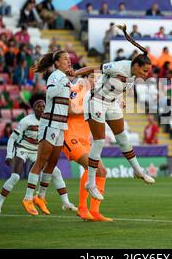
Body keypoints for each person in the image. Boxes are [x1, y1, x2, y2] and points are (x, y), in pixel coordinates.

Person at [71, 24, 155, 201]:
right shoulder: (118, 66)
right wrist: (74, 73)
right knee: (99, 141)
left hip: (112, 102)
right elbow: (94, 68)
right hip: (95, 101)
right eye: (145, 71)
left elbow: (119, 86)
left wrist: (120, 98)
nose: (147, 75)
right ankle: (90, 183)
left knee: (123, 139)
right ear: (136, 65)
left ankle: (138, 171)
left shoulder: (134, 74)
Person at [0, 100, 76, 214]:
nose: (41, 108)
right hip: (23, 149)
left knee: (56, 172)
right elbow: (12, 138)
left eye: (43, 106)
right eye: (38, 106)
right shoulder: (26, 120)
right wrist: (9, 154)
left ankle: (66, 202)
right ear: (33, 108)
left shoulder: (48, 121)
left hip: (37, 151)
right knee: (15, 177)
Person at [21, 51, 73, 216]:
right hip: (50, 123)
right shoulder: (55, 76)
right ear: (57, 63)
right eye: (65, 59)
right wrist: (66, 79)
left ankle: (40, 196)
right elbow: (50, 94)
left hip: (60, 125)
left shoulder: (64, 78)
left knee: (52, 163)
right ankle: (28, 198)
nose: (68, 61)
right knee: (41, 161)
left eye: (69, 59)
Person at [60, 74, 112, 221]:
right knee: (91, 166)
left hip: (85, 139)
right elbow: (68, 110)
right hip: (70, 136)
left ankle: (94, 212)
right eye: (92, 77)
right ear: (85, 78)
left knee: (101, 171)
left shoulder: (96, 96)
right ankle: (82, 208)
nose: (96, 80)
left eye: (98, 79)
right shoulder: (76, 89)